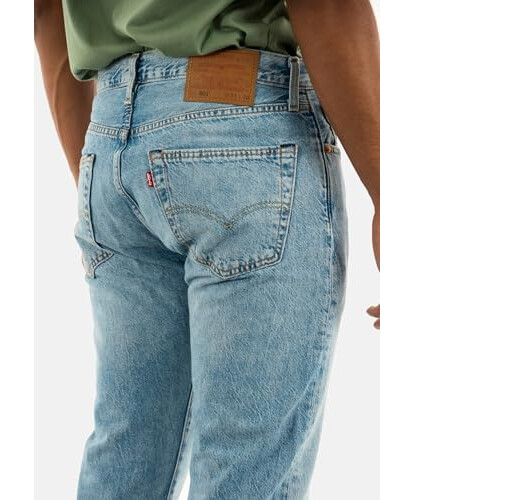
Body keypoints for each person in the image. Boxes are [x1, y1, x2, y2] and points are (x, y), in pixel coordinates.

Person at [35, 0, 379, 497]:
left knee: (125, 454)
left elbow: (47, 14)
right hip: (244, 130)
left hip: (108, 143)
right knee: (243, 471)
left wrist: (106, 185)